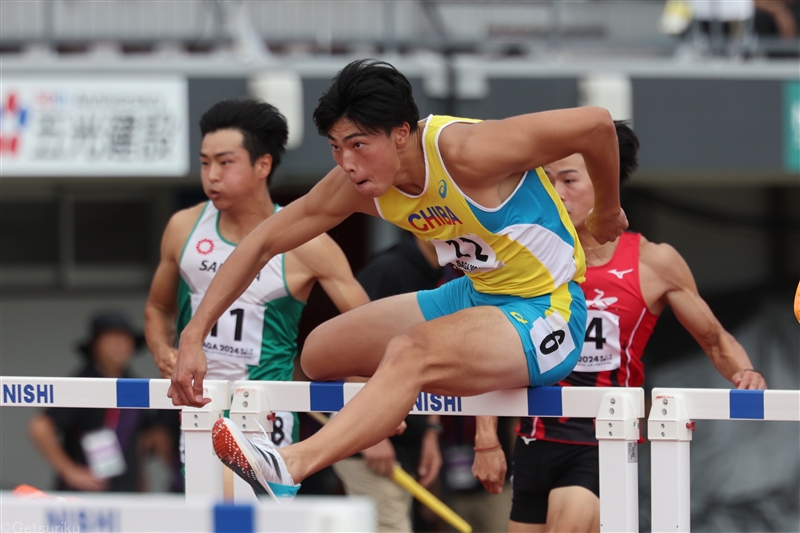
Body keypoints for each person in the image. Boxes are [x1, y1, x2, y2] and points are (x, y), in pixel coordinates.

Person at [170, 58, 628, 501]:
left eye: (358, 144)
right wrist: (194, 335)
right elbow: (262, 242)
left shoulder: (468, 152)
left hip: (547, 310)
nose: (347, 163)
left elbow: (595, 123)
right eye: (335, 146)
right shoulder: (355, 183)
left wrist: (607, 207)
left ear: (402, 134)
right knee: (319, 354)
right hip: (474, 295)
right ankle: (388, 400)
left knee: (409, 350)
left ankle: (289, 467)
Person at [471, 122, 768, 533]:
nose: (555, 192)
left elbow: (716, 339)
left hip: (603, 439)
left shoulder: (653, 262)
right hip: (535, 439)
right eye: (547, 180)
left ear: (605, 185)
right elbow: (490, 349)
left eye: (569, 179)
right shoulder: (526, 260)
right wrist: (486, 437)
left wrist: (745, 374)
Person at [144, 99, 369, 449]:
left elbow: (368, 331)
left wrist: (363, 411)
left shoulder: (307, 243)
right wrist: (161, 349)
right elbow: (157, 309)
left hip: (267, 416)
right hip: (199, 410)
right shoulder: (183, 228)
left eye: (225, 162)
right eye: (204, 163)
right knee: (203, 505)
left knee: (265, 504)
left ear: (263, 164)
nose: (212, 175)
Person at [332, 234, 444, 532]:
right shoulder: (388, 269)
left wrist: (430, 433)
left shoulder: (450, 270)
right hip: (368, 439)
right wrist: (371, 435)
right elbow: (352, 348)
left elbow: (435, 360)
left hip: (407, 439)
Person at [28, 311, 171, 492]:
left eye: (124, 339)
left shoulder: (137, 385)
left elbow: (141, 442)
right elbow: (40, 427)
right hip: (83, 497)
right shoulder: (81, 385)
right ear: (95, 345)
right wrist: (72, 472)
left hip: (125, 495)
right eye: (110, 338)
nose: (118, 345)